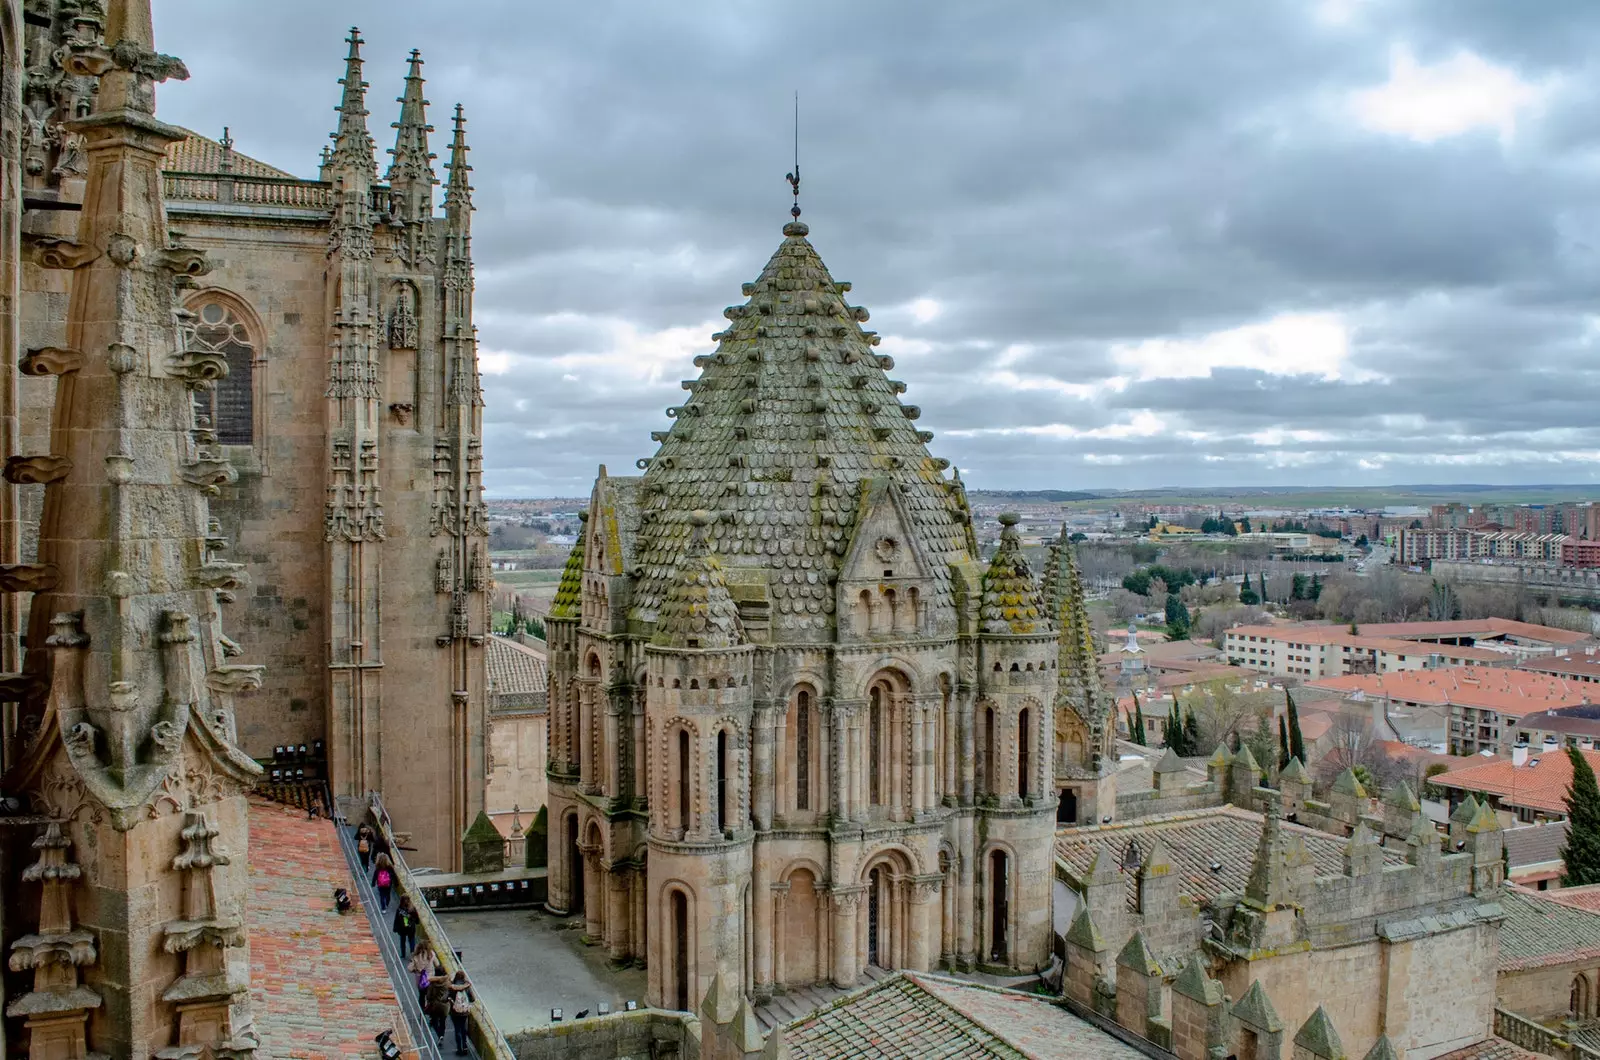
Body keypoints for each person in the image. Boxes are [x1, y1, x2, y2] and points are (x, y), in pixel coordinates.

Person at [447, 969, 473, 1055]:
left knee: (457, 1029)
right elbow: (473, 999)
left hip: (455, 1012)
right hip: (465, 1011)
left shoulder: (452, 987)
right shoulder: (466, 986)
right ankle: (465, 1046)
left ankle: (459, 1049)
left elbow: (446, 997)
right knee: (463, 1029)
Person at [424, 963, 450, 1046]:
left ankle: (439, 1034)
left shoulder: (433, 983)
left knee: (434, 1021)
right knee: (443, 1021)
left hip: (435, 1005)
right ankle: (442, 1035)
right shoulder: (447, 983)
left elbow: (428, 996)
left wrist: (428, 1001)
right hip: (445, 1005)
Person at [407, 942, 434, 1010]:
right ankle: (429, 1008)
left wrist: (416, 970)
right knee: (430, 995)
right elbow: (437, 964)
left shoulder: (415, 956)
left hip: (420, 980)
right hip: (430, 979)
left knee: (421, 995)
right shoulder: (431, 954)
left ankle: (422, 1010)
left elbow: (410, 968)